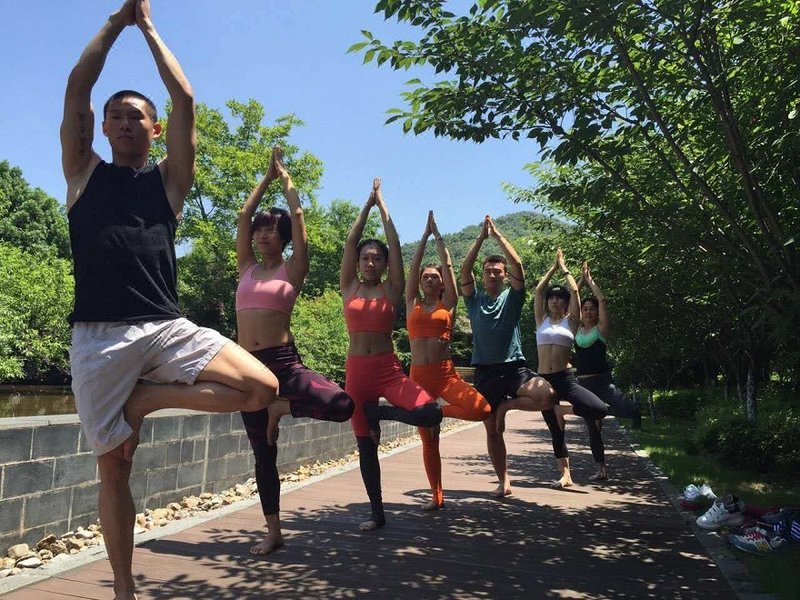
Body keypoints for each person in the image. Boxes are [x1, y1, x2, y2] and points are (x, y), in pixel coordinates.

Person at [62, 2, 278, 597]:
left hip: (164, 325)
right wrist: (116, 21)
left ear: (154, 130)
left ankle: (148, 399)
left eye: (136, 116)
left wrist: (149, 27)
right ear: (103, 129)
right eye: (115, 116)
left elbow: (184, 100)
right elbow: (78, 86)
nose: (124, 123)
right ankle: (124, 587)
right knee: (115, 467)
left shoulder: (169, 181)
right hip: (99, 338)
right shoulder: (82, 173)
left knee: (261, 388)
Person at [235, 146, 354, 554]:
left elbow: (299, 216)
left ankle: (280, 408)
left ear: (284, 238)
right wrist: (264, 179)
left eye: (271, 229)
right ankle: (273, 531)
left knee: (341, 404)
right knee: (263, 454)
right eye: (260, 230)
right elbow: (243, 215)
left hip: (284, 363)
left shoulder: (293, 269)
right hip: (247, 367)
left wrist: (285, 180)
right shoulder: (246, 267)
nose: (262, 234)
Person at [340, 178, 442, 530]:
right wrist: (366, 205)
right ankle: (376, 513)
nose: (370, 262)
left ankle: (379, 413)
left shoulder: (393, 288)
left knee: (430, 413)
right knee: (366, 446)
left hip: (387, 370)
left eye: (377, 258)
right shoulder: (349, 286)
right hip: (357, 373)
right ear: (358, 263)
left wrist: (383, 208)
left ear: (385, 264)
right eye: (366, 258)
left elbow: (395, 244)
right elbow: (350, 242)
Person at [460, 215, 555, 498]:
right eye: (488, 271)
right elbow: (464, 271)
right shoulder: (474, 299)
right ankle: (504, 481)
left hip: (514, 367)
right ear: (483, 275)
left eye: (497, 271)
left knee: (547, 396)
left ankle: (506, 406)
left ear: (504, 276)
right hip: (485, 370)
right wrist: (480, 238)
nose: (492, 275)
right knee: (492, 431)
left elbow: (519, 266)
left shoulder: (512, 298)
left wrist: (498, 235)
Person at [406, 211, 491, 510]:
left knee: (482, 409)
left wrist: (438, 237)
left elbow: (450, 266)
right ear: (420, 282)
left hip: (445, 375)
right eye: (426, 276)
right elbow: (413, 267)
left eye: (435, 276)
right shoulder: (411, 303)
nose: (430, 278)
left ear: (442, 282)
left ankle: (436, 414)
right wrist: (423, 237)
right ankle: (437, 497)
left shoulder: (449, 304)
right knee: (429, 440)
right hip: (418, 377)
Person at [525, 250, 609, 488]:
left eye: (559, 298)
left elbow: (574, 291)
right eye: (552, 298)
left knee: (599, 409)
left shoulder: (570, 321)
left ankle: (564, 410)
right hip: (544, 380)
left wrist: (564, 268)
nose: (555, 300)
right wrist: (552, 267)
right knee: (555, 429)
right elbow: (538, 291)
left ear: (566, 303)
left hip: (564, 378)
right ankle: (565, 475)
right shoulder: (541, 320)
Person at [556, 261, 642, 480]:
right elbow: (571, 305)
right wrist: (579, 282)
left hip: (603, 383)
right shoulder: (575, 329)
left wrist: (590, 280)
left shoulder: (601, 329)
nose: (587, 312)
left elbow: (602, 300)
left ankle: (612, 411)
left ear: (596, 312)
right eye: (584, 309)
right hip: (584, 384)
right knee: (593, 428)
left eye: (591, 309)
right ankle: (601, 470)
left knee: (630, 411)